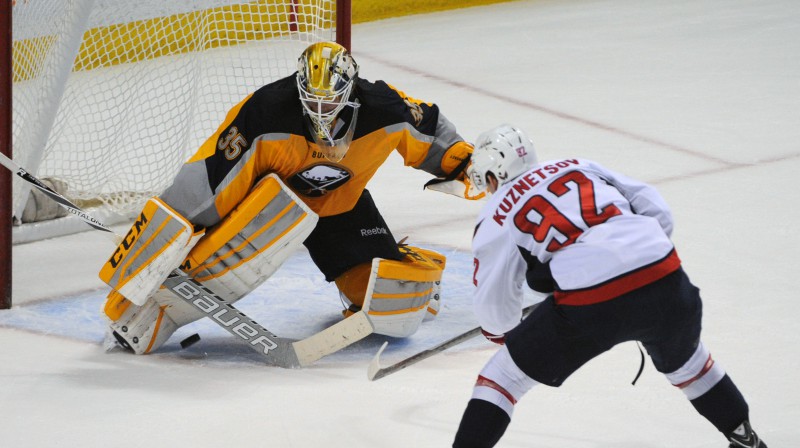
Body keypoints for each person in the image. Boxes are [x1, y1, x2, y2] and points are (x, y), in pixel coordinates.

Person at [97, 41, 481, 355]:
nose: (319, 111)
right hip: (266, 211)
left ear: (350, 92)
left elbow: (428, 129)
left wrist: (465, 164)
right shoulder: (266, 111)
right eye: (311, 100)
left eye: (329, 102)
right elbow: (210, 181)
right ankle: (159, 310)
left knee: (393, 311)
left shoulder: (384, 107)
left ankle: (404, 263)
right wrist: (159, 246)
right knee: (180, 288)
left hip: (340, 207)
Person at [452, 124, 767, 448]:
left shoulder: (496, 211)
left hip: (592, 301)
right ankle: (746, 439)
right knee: (690, 364)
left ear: (491, 175)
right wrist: (634, 261)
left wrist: (505, 334)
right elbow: (656, 207)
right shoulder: (576, 164)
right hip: (663, 272)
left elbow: (495, 310)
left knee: (503, 378)